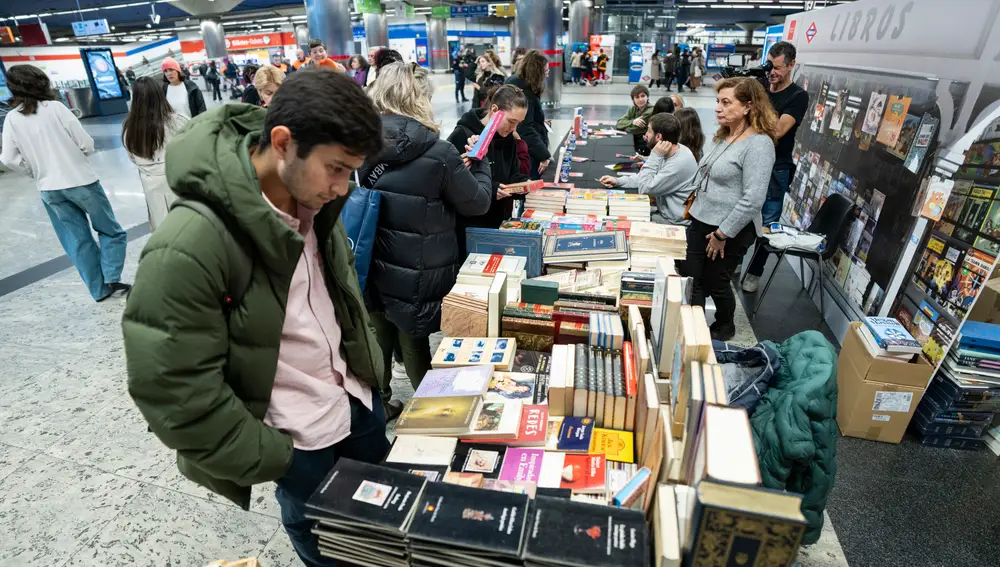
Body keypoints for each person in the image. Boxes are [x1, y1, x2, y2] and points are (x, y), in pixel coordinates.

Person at [123, 68, 388, 567]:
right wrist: (272, 456)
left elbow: (337, 303)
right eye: (335, 167)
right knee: (324, 538)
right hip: (294, 435)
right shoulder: (190, 243)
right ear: (283, 143)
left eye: (351, 170)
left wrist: (369, 382)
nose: (343, 186)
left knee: (377, 526)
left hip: (354, 402)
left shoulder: (315, 202)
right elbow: (171, 388)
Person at [362, 62, 492, 415]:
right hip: (419, 267)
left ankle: (380, 404)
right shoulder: (439, 153)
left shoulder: (362, 144)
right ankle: (434, 413)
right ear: (419, 99)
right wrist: (480, 163)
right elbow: (477, 202)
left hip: (372, 259)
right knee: (416, 343)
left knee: (378, 337)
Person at [1, 65, 129, 302]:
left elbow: (8, 158)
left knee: (78, 240)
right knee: (111, 231)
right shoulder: (56, 108)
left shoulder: (12, 119)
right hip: (82, 181)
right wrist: (79, 154)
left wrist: (34, 170)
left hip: (49, 188)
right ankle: (111, 276)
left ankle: (98, 290)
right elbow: (85, 142)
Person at [678, 77, 777, 341]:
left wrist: (723, 234)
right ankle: (694, 332)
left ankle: (725, 326)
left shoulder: (759, 145)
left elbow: (754, 198)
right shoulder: (725, 136)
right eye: (717, 102)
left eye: (726, 102)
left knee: (715, 281)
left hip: (731, 228)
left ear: (747, 106)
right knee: (692, 277)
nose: (718, 108)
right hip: (702, 220)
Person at [743, 41, 810, 293]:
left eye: (779, 68)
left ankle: (754, 272)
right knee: (740, 212)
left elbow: (779, 130)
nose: (772, 72)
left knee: (768, 224)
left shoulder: (797, 96)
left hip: (776, 166)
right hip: (748, 160)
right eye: (770, 65)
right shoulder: (760, 86)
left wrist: (753, 119)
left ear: (792, 65)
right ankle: (735, 262)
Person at [447, 84, 530, 233]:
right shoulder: (463, 135)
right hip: (470, 225)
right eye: (511, 122)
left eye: (518, 123)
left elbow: (512, 174)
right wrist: (492, 189)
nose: (514, 129)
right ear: (495, 110)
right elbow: (452, 185)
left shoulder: (509, 138)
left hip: (499, 222)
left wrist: (524, 184)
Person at [599, 113, 699, 225]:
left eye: (649, 131)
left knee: (616, 220)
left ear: (658, 137)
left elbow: (645, 188)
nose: (646, 134)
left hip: (673, 221)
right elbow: (646, 178)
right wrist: (618, 181)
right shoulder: (672, 149)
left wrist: (655, 155)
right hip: (665, 212)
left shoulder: (677, 163)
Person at [122, 77, 188, 231]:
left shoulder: (128, 127)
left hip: (150, 183)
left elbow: (131, 156)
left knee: (161, 225)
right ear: (159, 95)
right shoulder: (178, 121)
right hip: (178, 182)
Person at [506, 49, 551, 179]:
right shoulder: (525, 93)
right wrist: (543, 155)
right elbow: (525, 128)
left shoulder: (517, 81)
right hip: (528, 150)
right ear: (537, 72)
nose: (547, 75)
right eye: (546, 71)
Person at [616, 85, 655, 155]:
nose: (640, 99)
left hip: (644, 146)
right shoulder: (633, 108)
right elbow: (619, 123)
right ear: (633, 100)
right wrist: (632, 122)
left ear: (647, 97)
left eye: (643, 96)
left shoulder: (651, 111)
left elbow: (633, 130)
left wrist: (625, 125)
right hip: (634, 142)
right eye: (637, 97)